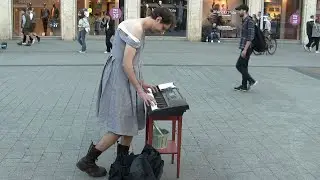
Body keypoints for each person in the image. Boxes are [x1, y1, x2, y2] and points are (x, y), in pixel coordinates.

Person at [76, 7, 174, 177]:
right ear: (158, 19)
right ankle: (88, 161)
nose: (162, 33)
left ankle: (121, 163)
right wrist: (139, 90)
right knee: (120, 127)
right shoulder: (136, 29)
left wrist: (142, 83)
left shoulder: (137, 25)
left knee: (129, 124)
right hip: (121, 80)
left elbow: (131, 62)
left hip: (123, 78)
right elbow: (126, 64)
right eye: (163, 28)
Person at [234, 4, 258, 92]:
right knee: (244, 66)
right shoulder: (244, 20)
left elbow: (250, 37)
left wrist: (245, 49)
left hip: (247, 47)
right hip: (244, 47)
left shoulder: (250, 21)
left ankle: (251, 80)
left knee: (238, 65)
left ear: (244, 11)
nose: (238, 12)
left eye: (239, 10)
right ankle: (244, 86)